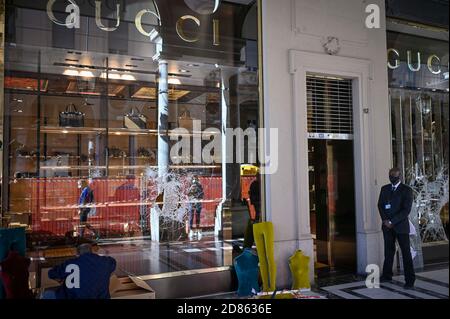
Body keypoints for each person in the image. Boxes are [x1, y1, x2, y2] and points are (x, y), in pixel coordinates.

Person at [377, 168, 415, 289]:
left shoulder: (407, 190)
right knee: (388, 252)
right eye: (390, 175)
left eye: (394, 175)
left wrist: (392, 221)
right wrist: (385, 220)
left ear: (400, 176)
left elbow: (406, 210)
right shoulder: (385, 189)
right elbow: (380, 205)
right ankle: (387, 275)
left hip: (401, 227)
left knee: (406, 253)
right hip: (387, 227)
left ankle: (409, 280)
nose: (392, 177)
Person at [41, 243, 116, 299]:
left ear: (77, 253)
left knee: (46, 294)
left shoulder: (70, 263)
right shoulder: (106, 262)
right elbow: (113, 262)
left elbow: (51, 274)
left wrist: (61, 279)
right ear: (91, 251)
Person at [188, 175, 204, 240]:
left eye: (196, 179)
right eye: (193, 179)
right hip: (191, 203)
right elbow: (188, 194)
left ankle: (197, 229)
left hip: (197, 203)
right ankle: (191, 229)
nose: (194, 180)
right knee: (191, 216)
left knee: (197, 216)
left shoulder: (199, 186)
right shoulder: (190, 185)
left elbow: (202, 194)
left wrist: (199, 198)